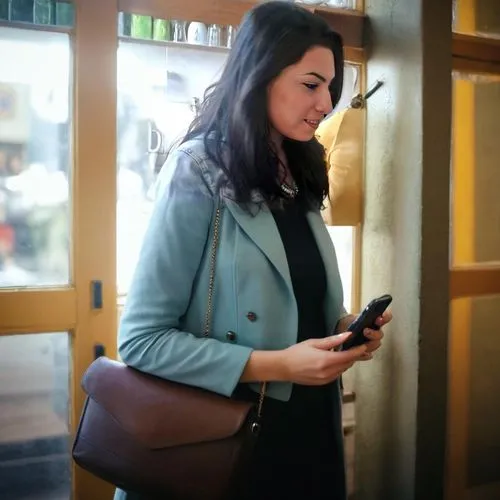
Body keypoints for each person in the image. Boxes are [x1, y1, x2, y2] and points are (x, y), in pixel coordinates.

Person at [116, 2, 392, 500]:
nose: (326, 103)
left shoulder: (301, 171)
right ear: (260, 75)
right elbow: (141, 341)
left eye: (331, 87)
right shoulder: (198, 170)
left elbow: (293, 300)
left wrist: (342, 330)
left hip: (310, 431)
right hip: (228, 435)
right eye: (311, 84)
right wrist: (280, 365)